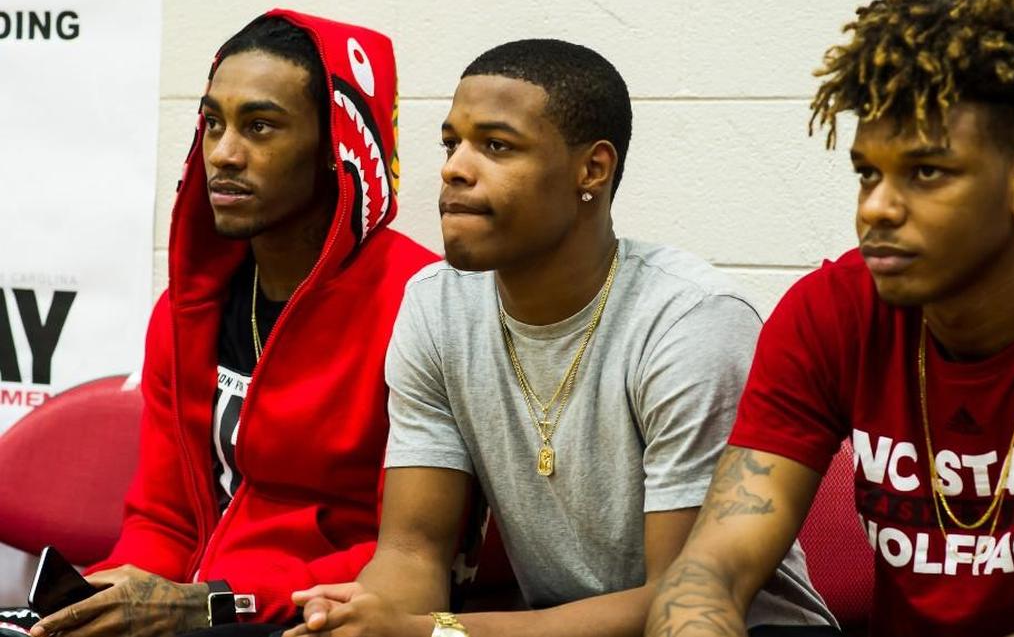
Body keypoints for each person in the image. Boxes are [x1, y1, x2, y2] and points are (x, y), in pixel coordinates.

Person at [285, 39, 839, 637]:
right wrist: (371, 621)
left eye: (496, 146)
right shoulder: (436, 303)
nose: (453, 168)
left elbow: (680, 599)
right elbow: (413, 552)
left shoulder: (689, 321)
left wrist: (432, 633)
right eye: (452, 143)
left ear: (592, 170)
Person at [645, 0, 1014, 636]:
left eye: (926, 171)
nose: (876, 207)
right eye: (866, 173)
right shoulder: (830, 311)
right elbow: (711, 572)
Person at [23, 10, 437, 637]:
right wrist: (115, 592)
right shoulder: (189, 310)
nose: (223, 153)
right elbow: (164, 521)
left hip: (322, 620)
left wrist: (215, 601)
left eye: (260, 127)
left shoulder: (422, 305)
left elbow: (408, 556)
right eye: (213, 123)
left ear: (335, 148)